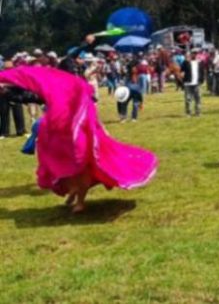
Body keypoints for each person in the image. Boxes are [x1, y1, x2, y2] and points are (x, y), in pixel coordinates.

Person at [0, 66, 157, 213]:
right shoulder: (60, 89)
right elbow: (33, 93)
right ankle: (75, 193)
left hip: (76, 134)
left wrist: (8, 91)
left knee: (81, 165)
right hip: (63, 135)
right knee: (69, 166)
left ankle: (79, 199)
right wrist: (8, 91)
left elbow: (35, 94)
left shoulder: (76, 91)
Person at [181, 50, 203, 117]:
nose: (195, 55)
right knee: (188, 99)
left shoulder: (199, 62)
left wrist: (201, 80)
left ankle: (198, 112)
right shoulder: (186, 62)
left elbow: (201, 72)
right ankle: (188, 113)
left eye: (196, 53)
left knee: (198, 98)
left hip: (197, 83)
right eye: (193, 53)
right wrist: (186, 61)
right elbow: (181, 70)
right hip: (188, 83)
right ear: (191, 54)